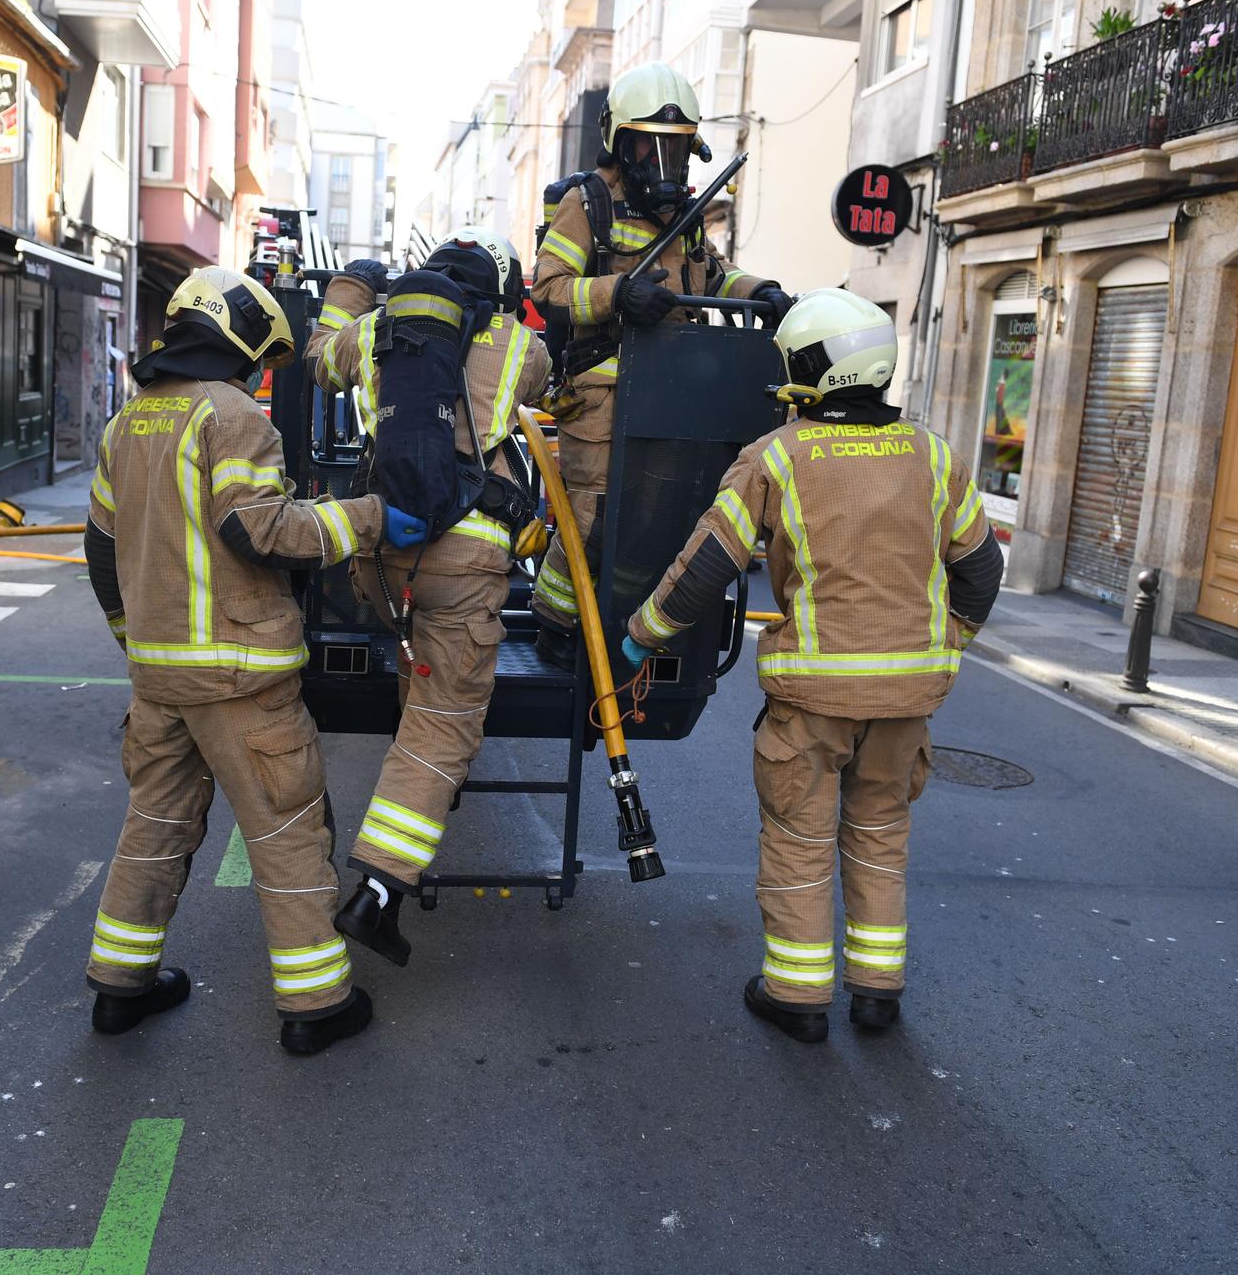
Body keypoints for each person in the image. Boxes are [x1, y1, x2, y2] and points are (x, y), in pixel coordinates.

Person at [620, 289, 1004, 1043]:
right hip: (907, 701)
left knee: (800, 835)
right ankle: (876, 992)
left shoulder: (779, 457)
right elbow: (982, 570)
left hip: (815, 700)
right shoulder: (934, 456)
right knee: (881, 831)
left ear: (813, 370)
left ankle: (797, 996)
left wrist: (643, 633)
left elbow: (706, 568)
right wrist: (948, 638)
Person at [82, 266, 429, 1055]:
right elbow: (259, 529)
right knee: (286, 830)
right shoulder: (233, 416)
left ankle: (118, 988)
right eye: (254, 360)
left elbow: (102, 551)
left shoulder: (126, 424)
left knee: (154, 825)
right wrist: (368, 518)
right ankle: (317, 1004)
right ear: (236, 341)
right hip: (239, 676)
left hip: (159, 676)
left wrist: (131, 639)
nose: (252, 376)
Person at [306, 229, 549, 965]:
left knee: (425, 684)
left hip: (378, 562)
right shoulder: (516, 344)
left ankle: (422, 781)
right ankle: (379, 893)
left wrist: (351, 291)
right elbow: (544, 389)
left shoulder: (375, 330)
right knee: (442, 730)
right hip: (463, 562)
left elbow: (317, 361)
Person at [528, 60, 795, 670]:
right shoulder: (587, 203)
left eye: (675, 151)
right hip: (603, 393)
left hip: (674, 395)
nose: (663, 166)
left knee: (659, 518)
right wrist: (617, 295)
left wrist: (763, 292)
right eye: (649, 149)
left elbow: (717, 275)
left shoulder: (686, 217)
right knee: (594, 519)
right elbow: (547, 287)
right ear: (618, 144)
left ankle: (625, 621)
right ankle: (556, 625)